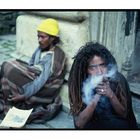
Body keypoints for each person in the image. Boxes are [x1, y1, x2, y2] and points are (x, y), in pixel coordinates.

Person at [0, 18, 66, 123]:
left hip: (44, 88)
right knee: (7, 66)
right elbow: (31, 64)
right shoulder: (41, 48)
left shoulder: (54, 57)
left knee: (9, 67)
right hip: (33, 76)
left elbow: (41, 81)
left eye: (42, 37)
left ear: (52, 38)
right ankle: (9, 97)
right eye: (38, 36)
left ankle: (16, 101)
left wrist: (24, 96)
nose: (39, 39)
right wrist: (25, 71)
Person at [68, 42, 137, 129]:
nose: (99, 72)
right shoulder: (78, 82)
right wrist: (97, 96)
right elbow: (79, 124)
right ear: (85, 69)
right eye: (93, 67)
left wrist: (111, 94)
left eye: (102, 65)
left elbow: (124, 114)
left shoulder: (117, 80)